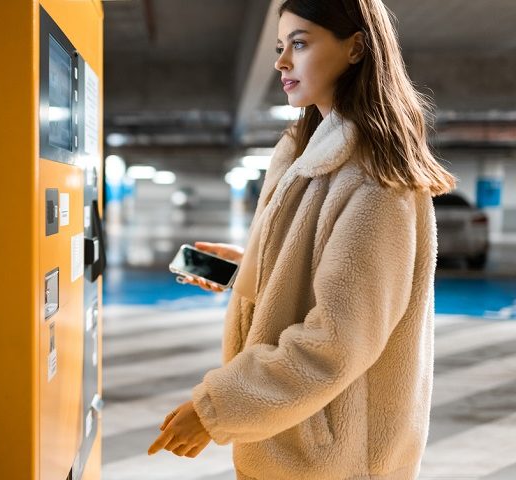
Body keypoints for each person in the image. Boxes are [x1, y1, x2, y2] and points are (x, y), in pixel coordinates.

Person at [147, 0, 456, 478]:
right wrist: (244, 268)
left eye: (300, 43)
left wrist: (216, 409)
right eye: (279, 46)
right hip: (298, 451)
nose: (281, 62)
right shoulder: (307, 156)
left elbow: (334, 343)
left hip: (337, 462)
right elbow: (317, 280)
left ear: (356, 48)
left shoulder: (374, 181)